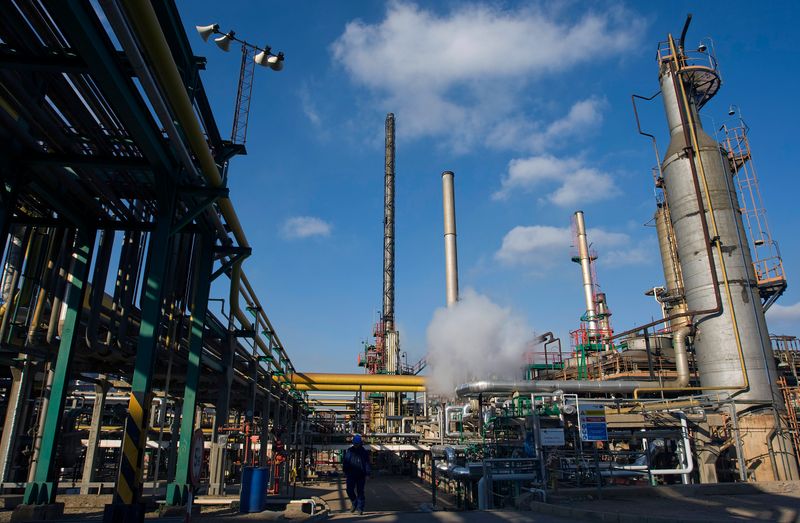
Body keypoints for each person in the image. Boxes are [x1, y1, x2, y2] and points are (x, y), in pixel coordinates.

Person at [342, 433, 370, 514]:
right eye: (355, 443)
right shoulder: (350, 451)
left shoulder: (364, 452)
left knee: (360, 492)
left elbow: (367, 463)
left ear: (360, 443)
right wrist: (345, 471)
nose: (356, 445)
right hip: (351, 474)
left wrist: (367, 474)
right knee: (349, 490)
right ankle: (354, 502)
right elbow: (346, 462)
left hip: (361, 474)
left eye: (357, 444)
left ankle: (360, 509)